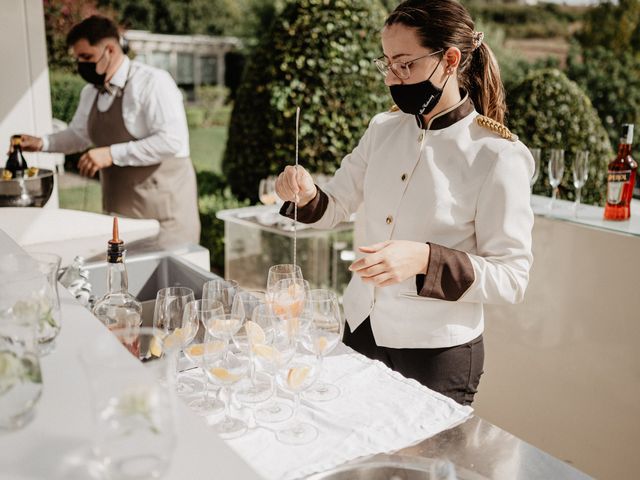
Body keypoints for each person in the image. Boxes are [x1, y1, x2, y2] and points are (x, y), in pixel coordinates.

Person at [275, 0, 534, 405]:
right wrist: (307, 194)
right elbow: (336, 204)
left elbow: (513, 277)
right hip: (361, 328)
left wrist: (424, 260)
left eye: (405, 64)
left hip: (437, 353)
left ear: (450, 59)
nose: (393, 78)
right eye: (388, 64)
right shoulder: (382, 129)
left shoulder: (498, 154)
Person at [18, 15, 200, 246]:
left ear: (110, 50)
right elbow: (78, 135)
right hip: (119, 217)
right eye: (78, 59)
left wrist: (110, 154)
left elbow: (171, 140)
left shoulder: (153, 82)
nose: (81, 65)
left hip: (165, 220)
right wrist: (42, 143)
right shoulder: (90, 92)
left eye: (87, 57)